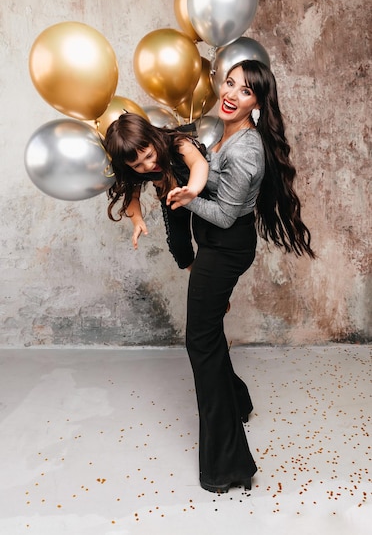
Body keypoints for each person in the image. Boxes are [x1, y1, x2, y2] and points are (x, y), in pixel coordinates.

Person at [167, 59, 315, 494]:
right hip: (217, 245)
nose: (231, 94)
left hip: (225, 248)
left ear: (258, 101)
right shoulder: (228, 130)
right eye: (229, 82)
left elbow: (225, 214)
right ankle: (240, 400)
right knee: (208, 335)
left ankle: (228, 464)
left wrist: (184, 196)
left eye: (245, 90)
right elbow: (213, 178)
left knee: (200, 339)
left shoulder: (248, 150)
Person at [104, 112, 209, 270]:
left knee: (207, 236)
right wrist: (137, 220)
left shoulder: (177, 143)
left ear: (153, 138)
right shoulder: (136, 170)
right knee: (177, 245)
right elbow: (132, 196)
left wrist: (192, 190)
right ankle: (195, 274)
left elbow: (198, 164)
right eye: (137, 165)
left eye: (149, 156)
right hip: (171, 198)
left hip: (201, 190)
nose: (147, 166)